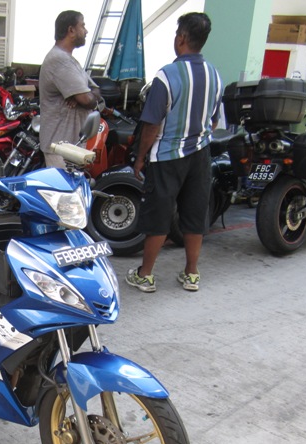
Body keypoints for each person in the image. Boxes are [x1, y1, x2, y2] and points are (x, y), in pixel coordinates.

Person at [125, 12, 222, 293]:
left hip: (167, 156)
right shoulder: (215, 75)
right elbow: (215, 121)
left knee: (159, 216)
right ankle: (191, 274)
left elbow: (152, 125)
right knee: (194, 214)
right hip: (200, 155)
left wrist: (140, 158)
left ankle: (145, 275)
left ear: (181, 38)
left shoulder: (166, 76)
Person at [39, 10, 102, 169]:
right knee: (63, 187)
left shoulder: (70, 60)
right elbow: (87, 100)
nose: (86, 31)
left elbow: (95, 91)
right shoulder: (60, 60)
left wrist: (85, 96)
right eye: (83, 26)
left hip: (70, 148)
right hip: (60, 150)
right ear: (71, 30)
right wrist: (86, 97)